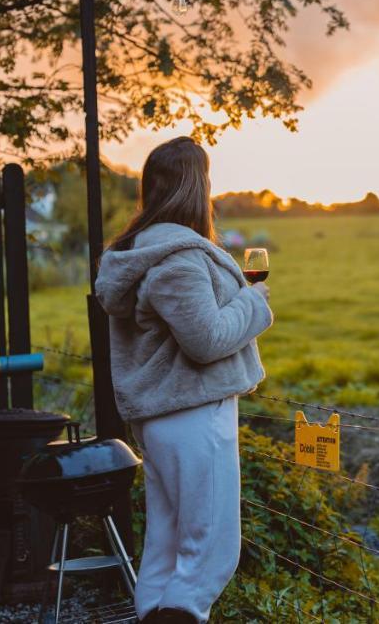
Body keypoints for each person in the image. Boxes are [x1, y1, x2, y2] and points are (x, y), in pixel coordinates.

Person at [95, 137, 272, 623]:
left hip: (161, 417)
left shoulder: (140, 252)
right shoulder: (179, 259)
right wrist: (255, 303)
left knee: (167, 545)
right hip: (193, 413)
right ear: (198, 187)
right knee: (210, 554)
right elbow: (207, 340)